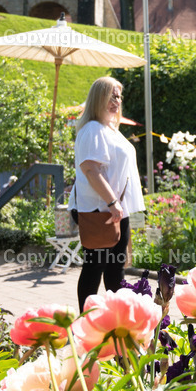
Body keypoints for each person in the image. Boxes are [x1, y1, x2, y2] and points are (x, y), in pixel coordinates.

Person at [71, 77, 145, 310]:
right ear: (97, 98)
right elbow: (90, 169)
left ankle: (117, 317)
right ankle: (86, 319)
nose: (117, 100)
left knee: (115, 269)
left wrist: (116, 205)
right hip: (100, 209)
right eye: (111, 95)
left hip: (113, 209)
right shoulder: (93, 129)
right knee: (95, 268)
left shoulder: (108, 129)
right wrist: (112, 201)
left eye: (119, 96)